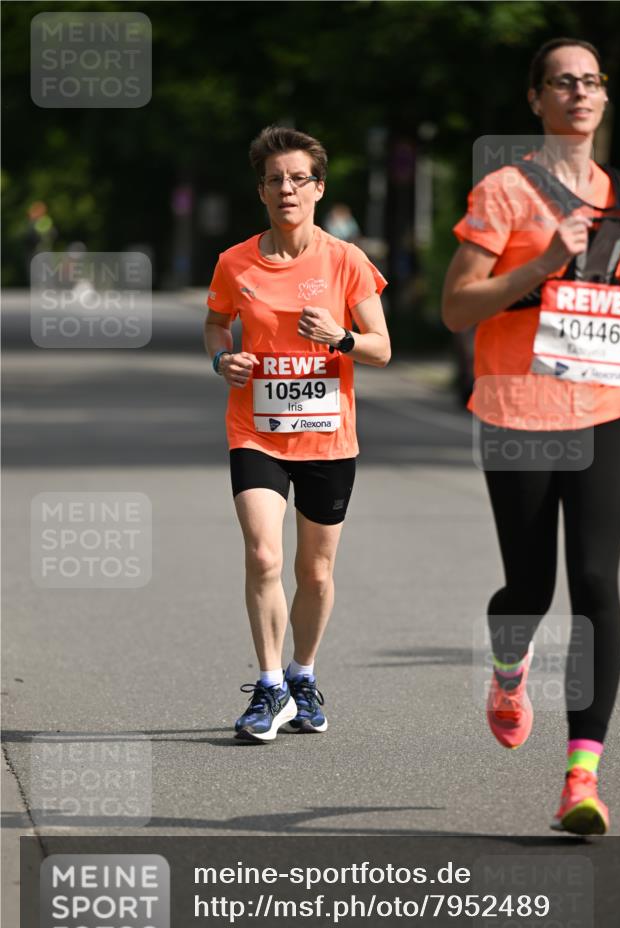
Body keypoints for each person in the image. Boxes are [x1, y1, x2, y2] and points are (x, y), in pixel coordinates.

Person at [442, 38, 620, 834]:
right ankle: (508, 668)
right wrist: (538, 264)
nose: (579, 92)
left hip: (606, 406)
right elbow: (457, 308)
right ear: (535, 99)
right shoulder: (503, 192)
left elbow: (616, 319)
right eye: (562, 82)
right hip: (516, 410)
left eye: (591, 81)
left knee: (597, 584)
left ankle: (581, 778)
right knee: (529, 588)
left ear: (604, 99)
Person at [204, 126, 390, 743]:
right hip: (255, 430)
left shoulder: (346, 261)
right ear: (261, 191)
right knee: (262, 553)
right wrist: (220, 358)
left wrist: (339, 337)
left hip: (328, 439)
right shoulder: (235, 262)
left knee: (314, 572)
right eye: (275, 180)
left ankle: (302, 674)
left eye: (298, 178)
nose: (287, 188)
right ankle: (270, 686)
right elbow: (214, 324)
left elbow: (382, 348)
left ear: (318, 188)